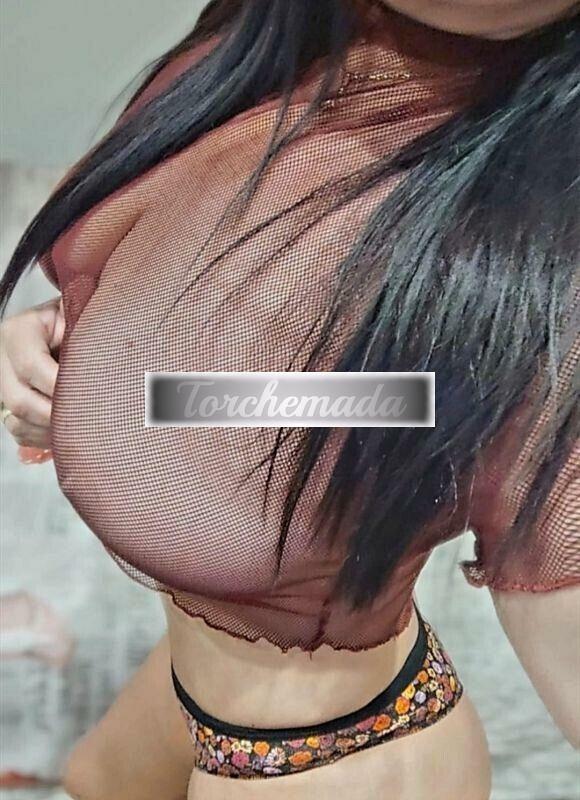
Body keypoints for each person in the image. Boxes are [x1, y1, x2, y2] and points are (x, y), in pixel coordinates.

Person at [1, 1, 578, 798]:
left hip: (328, 759)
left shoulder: (548, 277)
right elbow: (339, 397)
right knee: (92, 781)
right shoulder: (266, 43)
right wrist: (77, 339)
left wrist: (117, 396)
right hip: (198, 676)